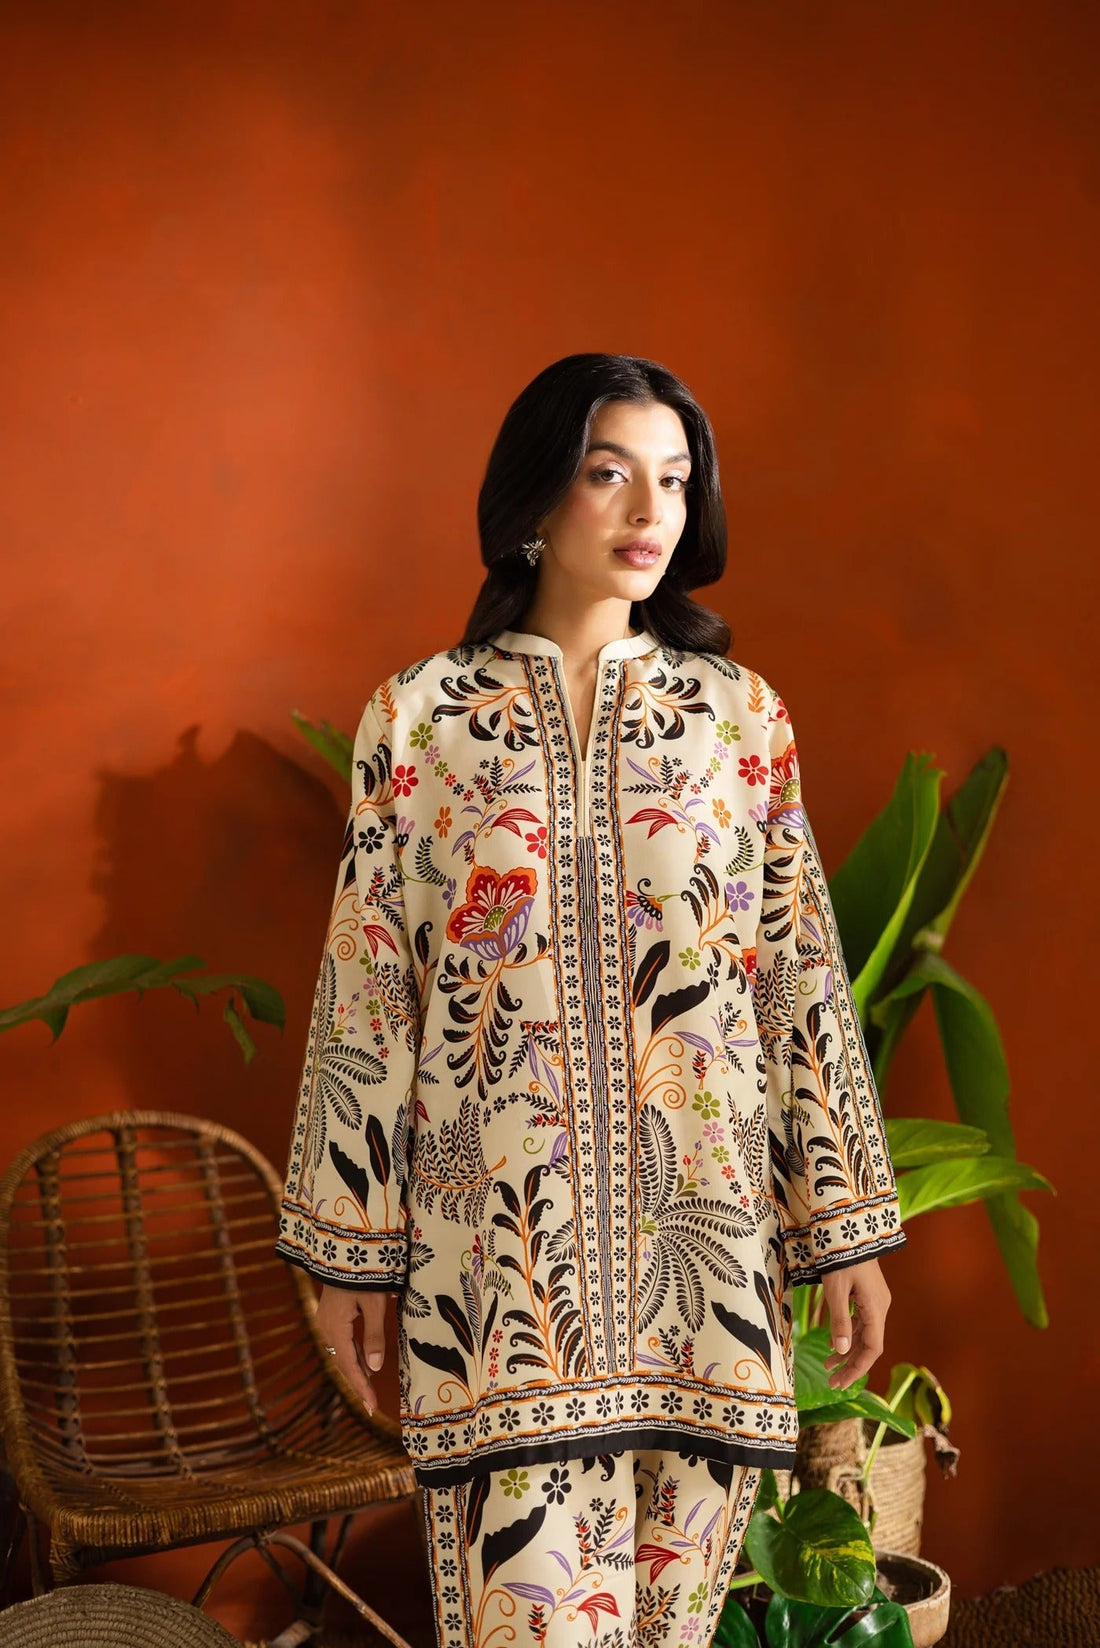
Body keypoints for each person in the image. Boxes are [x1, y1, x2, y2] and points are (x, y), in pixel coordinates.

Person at [276, 352, 906, 1647]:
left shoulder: (740, 722)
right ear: (532, 500)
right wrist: (349, 1245)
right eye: (609, 472)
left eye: (674, 481)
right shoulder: (422, 725)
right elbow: (368, 998)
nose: (648, 512)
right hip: (497, 1283)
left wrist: (841, 1222)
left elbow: (795, 970)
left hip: (706, 1275)